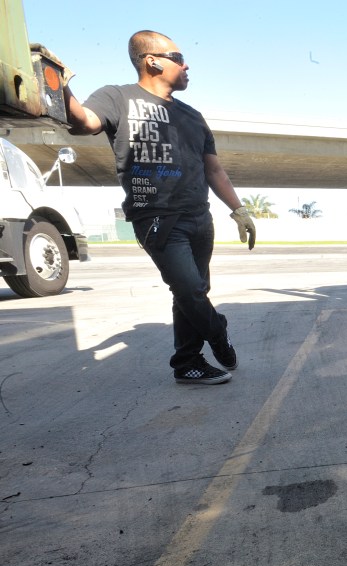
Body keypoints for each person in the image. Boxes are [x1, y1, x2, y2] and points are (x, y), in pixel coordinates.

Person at [62, 30, 256, 385]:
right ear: (152, 61)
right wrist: (57, 84)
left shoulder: (193, 116)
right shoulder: (117, 97)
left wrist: (239, 210)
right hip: (156, 217)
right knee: (189, 291)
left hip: (199, 216)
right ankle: (218, 332)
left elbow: (214, 169)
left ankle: (187, 363)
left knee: (194, 292)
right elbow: (83, 122)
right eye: (179, 57)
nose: (186, 65)